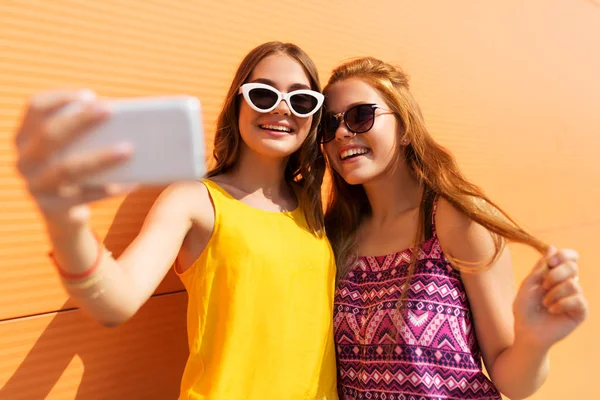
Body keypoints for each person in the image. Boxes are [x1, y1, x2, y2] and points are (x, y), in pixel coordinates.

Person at [14, 41, 338, 400]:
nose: (281, 108)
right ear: (237, 103)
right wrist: (67, 223)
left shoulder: (311, 205)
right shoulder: (193, 199)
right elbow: (117, 299)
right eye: (263, 95)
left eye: (301, 100)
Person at [320, 57, 588, 400]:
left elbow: (514, 383)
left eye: (361, 116)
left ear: (404, 127)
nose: (342, 132)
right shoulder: (336, 235)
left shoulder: (453, 218)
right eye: (329, 125)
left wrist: (535, 341)